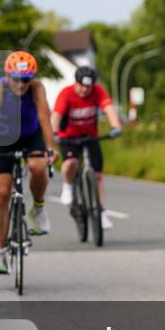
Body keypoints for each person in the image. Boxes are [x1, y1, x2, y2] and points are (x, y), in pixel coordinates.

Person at [0, 51, 56, 275]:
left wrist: (51, 149)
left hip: (31, 135)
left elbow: (44, 118)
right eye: (16, 79)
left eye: (26, 79)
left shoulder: (37, 88)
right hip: (4, 137)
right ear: (7, 75)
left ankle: (38, 209)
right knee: (3, 191)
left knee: (38, 166)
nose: (21, 84)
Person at [51, 66, 121, 231]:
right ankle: (68, 186)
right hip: (68, 137)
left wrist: (115, 126)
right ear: (76, 83)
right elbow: (56, 115)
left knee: (97, 176)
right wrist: (53, 133)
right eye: (81, 85)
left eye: (88, 87)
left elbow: (109, 109)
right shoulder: (66, 93)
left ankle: (101, 212)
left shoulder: (98, 92)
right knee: (71, 163)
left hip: (90, 137)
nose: (84, 90)